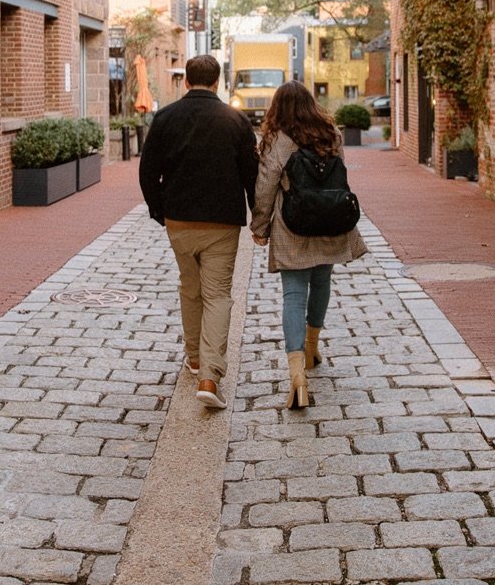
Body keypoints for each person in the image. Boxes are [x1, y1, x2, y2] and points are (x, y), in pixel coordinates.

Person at [139, 54, 259, 409]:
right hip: (221, 222)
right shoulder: (236, 120)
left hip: (179, 220)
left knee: (190, 288)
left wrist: (159, 210)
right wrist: (259, 218)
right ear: (218, 82)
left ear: (187, 81)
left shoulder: (165, 118)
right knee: (218, 295)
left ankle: (193, 357)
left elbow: (148, 172)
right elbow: (252, 176)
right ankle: (209, 375)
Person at [249, 81, 367, 409]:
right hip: (330, 222)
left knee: (293, 296)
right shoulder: (331, 133)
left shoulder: (278, 139)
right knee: (322, 282)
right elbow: (339, 177)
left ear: (278, 108)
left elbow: (266, 185)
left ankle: (297, 374)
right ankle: (313, 348)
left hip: (293, 225)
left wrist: (259, 226)